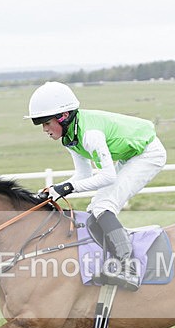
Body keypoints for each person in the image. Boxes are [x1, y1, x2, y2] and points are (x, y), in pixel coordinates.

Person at [25, 81, 167, 291]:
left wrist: (67, 189)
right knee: (95, 207)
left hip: (148, 154)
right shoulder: (70, 137)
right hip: (130, 157)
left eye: (46, 123)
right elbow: (84, 175)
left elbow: (107, 177)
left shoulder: (90, 135)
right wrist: (56, 189)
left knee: (103, 207)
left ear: (63, 116)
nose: (45, 129)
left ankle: (129, 269)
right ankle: (113, 262)